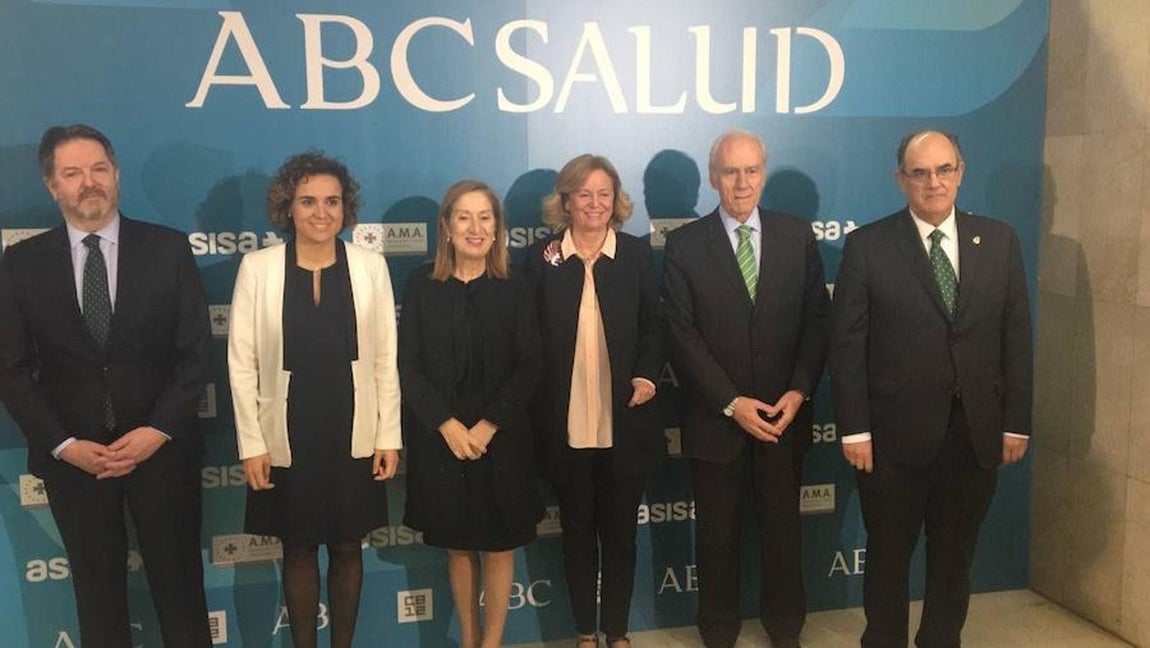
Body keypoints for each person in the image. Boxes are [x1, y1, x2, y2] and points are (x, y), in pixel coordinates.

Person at [0, 124, 212, 647]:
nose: (88, 183)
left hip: (162, 452)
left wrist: (156, 431)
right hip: (75, 460)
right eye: (72, 173)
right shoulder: (21, 263)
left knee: (182, 595)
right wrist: (65, 445)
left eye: (98, 169)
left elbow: (195, 355)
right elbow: (12, 368)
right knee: (97, 601)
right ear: (52, 186)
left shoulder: (168, 250)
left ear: (115, 175)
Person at [830, 130, 1032, 648]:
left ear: (961, 172)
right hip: (893, 440)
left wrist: (1015, 421)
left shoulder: (1001, 240)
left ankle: (941, 640)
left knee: (954, 556)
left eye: (944, 169)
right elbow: (847, 347)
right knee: (889, 555)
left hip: (974, 434)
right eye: (919, 172)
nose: (933, 182)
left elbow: (1016, 337)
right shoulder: (868, 246)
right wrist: (854, 429)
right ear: (901, 179)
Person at [662, 130, 830, 648]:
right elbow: (681, 335)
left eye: (751, 170)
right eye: (730, 172)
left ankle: (786, 633)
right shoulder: (684, 244)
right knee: (717, 540)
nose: (741, 183)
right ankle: (718, 635)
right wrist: (732, 404)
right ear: (714, 177)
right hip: (717, 424)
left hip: (784, 418)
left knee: (784, 537)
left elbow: (816, 323)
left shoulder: (797, 235)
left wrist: (798, 392)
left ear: (764, 173)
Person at [227, 152, 401, 648]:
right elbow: (241, 364)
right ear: (288, 207)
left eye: (332, 201)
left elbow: (386, 357)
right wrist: (252, 445)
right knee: (298, 548)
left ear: (346, 208)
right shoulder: (258, 268)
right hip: (288, 431)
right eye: (308, 201)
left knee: (349, 546)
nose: (321, 212)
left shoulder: (370, 267)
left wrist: (388, 434)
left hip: (354, 430)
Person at [524, 154, 664, 648]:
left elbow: (654, 326)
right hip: (565, 426)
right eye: (584, 193)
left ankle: (619, 634)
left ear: (617, 200)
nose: (595, 203)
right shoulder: (542, 260)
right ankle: (586, 633)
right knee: (578, 535)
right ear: (566, 200)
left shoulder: (636, 254)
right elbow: (529, 341)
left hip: (623, 422)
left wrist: (647, 373)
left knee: (621, 536)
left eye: (604, 193)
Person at [399, 180, 543, 648]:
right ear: (446, 226)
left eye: (486, 217)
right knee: (458, 544)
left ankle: (493, 642)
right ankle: (468, 637)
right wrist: (446, 424)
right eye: (464, 216)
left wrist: (486, 426)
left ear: (498, 228)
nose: (476, 227)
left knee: (499, 544)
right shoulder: (421, 284)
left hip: (501, 438)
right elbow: (410, 364)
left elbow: (530, 364)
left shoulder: (517, 284)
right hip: (441, 438)